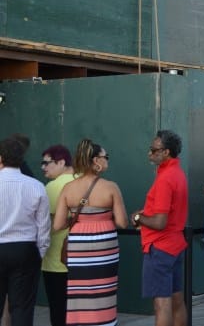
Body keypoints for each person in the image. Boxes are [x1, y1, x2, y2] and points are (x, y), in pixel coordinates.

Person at [54, 139, 128, 326]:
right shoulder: (111, 187)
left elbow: (58, 225)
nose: (107, 161)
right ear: (96, 161)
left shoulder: (68, 188)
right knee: (104, 289)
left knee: (80, 290)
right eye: (106, 157)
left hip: (78, 246)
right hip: (105, 245)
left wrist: (81, 219)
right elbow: (122, 222)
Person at [131, 130, 188, 326]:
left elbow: (160, 222)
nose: (150, 154)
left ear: (166, 152)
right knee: (177, 301)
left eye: (154, 150)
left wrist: (138, 217)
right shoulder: (177, 173)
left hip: (160, 248)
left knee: (162, 305)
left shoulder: (165, 179)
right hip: (175, 246)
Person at [0, 137, 50, 326]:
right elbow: (43, 225)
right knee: (22, 308)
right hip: (26, 249)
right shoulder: (36, 186)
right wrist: (40, 251)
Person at [40, 144, 76, 326]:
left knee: (58, 310)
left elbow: (50, 225)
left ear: (61, 162)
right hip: (81, 259)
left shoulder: (52, 187)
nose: (43, 168)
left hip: (56, 262)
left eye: (47, 163)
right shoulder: (84, 181)